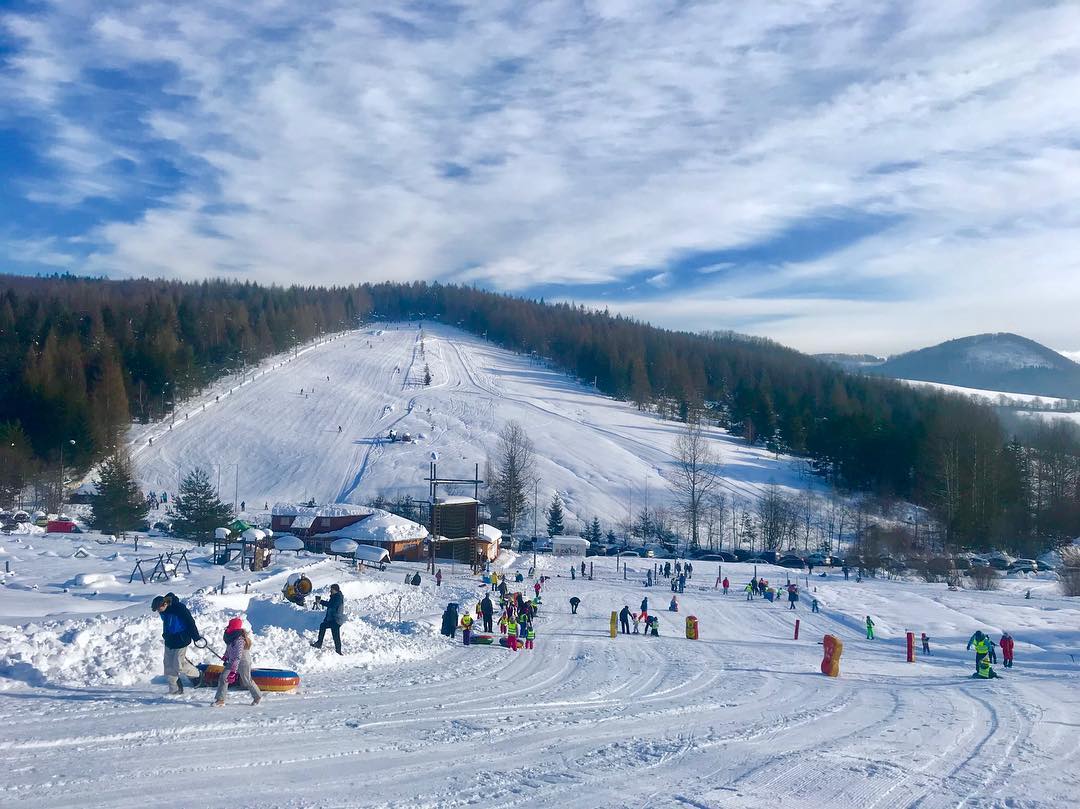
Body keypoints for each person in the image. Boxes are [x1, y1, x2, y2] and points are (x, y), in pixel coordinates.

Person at [152, 592, 202, 695]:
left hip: (181, 639)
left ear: (165, 604)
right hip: (169, 640)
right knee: (168, 666)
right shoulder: (163, 611)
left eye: (158, 609)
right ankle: (174, 690)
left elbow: (190, 621)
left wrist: (195, 636)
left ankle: (198, 674)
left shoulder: (179, 608)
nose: (158, 611)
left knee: (179, 665)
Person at [213, 617, 261, 707]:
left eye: (230, 625)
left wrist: (233, 672)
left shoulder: (240, 640)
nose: (228, 626)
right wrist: (226, 656)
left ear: (234, 627)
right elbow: (229, 648)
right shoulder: (230, 636)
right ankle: (220, 700)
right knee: (223, 677)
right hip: (232, 661)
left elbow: (238, 657)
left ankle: (257, 696)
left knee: (246, 681)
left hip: (243, 661)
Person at [311, 584, 345, 654]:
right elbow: (330, 608)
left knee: (335, 635)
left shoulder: (338, 597)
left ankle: (338, 651)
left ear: (335, 590)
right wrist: (326, 619)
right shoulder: (335, 596)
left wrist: (320, 601)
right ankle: (320, 644)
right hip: (333, 619)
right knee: (325, 627)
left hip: (336, 620)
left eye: (332, 589)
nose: (330, 591)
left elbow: (331, 605)